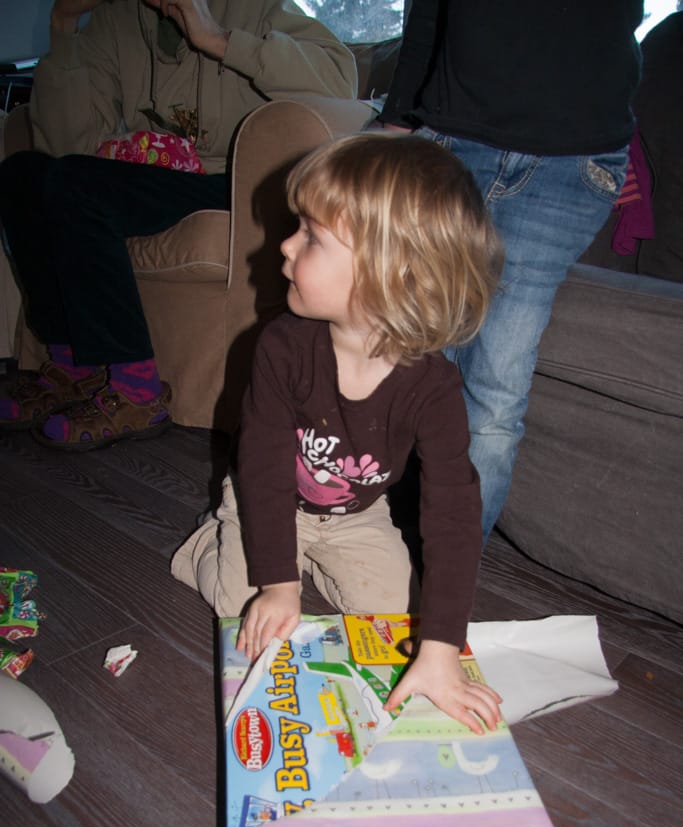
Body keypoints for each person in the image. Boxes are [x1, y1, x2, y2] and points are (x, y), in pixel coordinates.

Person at [171, 132, 504, 732]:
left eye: (311, 236)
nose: (284, 244)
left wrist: (441, 649)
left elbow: (454, 513)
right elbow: (263, 467)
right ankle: (208, 546)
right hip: (267, 499)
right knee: (243, 607)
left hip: (357, 514)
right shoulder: (281, 346)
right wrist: (278, 583)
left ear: (388, 276)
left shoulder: (435, 389)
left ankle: (315, 563)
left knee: (399, 618)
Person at [0, 0, 357, 448]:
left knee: (75, 185)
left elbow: (342, 81)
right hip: (160, 171)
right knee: (24, 175)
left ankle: (137, 389)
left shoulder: (257, 7)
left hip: (230, 177)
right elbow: (66, 146)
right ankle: (72, 364)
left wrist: (219, 40)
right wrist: (64, 25)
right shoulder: (117, 20)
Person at [377, 0, 644, 541]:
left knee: (493, 390)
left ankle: (443, 577)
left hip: (571, 157)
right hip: (450, 135)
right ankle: (380, 542)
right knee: (404, 356)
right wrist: (396, 117)